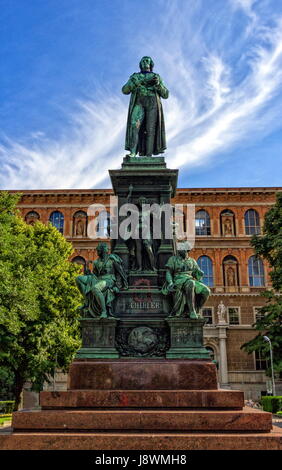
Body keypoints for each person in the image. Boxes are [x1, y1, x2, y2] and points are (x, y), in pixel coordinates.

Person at [122, 56, 169, 157]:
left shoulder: (156, 76)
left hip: (152, 103)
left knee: (150, 129)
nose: (145, 62)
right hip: (139, 102)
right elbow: (125, 90)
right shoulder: (135, 76)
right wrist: (134, 83)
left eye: (147, 60)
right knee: (135, 126)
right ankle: (133, 152)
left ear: (151, 64)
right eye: (143, 60)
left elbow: (166, 94)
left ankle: (148, 155)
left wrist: (157, 84)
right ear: (140, 64)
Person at [76, 242, 128, 318]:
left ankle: (104, 312)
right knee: (79, 279)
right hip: (97, 279)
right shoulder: (96, 262)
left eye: (98, 250)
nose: (97, 252)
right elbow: (95, 274)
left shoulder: (112, 259)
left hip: (109, 280)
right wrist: (89, 274)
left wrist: (118, 286)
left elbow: (120, 273)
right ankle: (87, 302)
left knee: (95, 288)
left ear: (102, 250)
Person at [162, 244, 210, 319]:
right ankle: (192, 311)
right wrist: (170, 282)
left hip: (190, 278)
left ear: (186, 250)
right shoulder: (173, 259)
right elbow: (168, 272)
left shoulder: (192, 261)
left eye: (181, 248)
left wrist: (200, 274)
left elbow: (197, 274)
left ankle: (197, 309)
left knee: (206, 291)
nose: (178, 250)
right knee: (191, 283)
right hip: (178, 280)